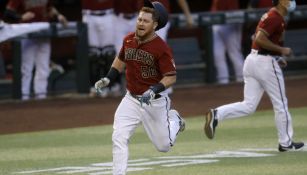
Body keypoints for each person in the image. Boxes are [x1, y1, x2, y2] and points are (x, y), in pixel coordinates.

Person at [95, 1, 185, 174]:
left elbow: (171, 77)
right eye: (139, 19)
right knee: (119, 137)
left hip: (155, 102)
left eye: (145, 21)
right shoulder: (129, 39)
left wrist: (153, 90)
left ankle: (176, 121)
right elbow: (120, 59)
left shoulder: (161, 48)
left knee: (163, 146)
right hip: (131, 100)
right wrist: (108, 78)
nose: (140, 23)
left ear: (155, 25)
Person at [204, 0, 305, 152]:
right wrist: (281, 50)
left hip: (253, 60)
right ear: (282, 2)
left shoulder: (273, 16)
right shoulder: (275, 17)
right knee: (281, 104)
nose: (291, 2)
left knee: (249, 106)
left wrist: (277, 56)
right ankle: (285, 143)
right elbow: (258, 38)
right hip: (264, 63)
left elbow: (256, 38)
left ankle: (217, 114)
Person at [4, 0, 67, 100]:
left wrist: (58, 16)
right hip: (27, 32)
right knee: (26, 68)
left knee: (43, 68)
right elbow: (8, 12)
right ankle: (23, 97)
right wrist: (20, 17)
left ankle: (41, 96)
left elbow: (50, 7)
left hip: (44, 31)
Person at [81, 0, 120, 98]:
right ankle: (94, 87)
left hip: (108, 14)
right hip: (89, 15)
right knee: (93, 55)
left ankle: (112, 86)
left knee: (109, 53)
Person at [211, 0, 244, 84]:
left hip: (231, 20)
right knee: (217, 55)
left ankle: (242, 81)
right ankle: (223, 82)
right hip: (215, 20)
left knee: (234, 54)